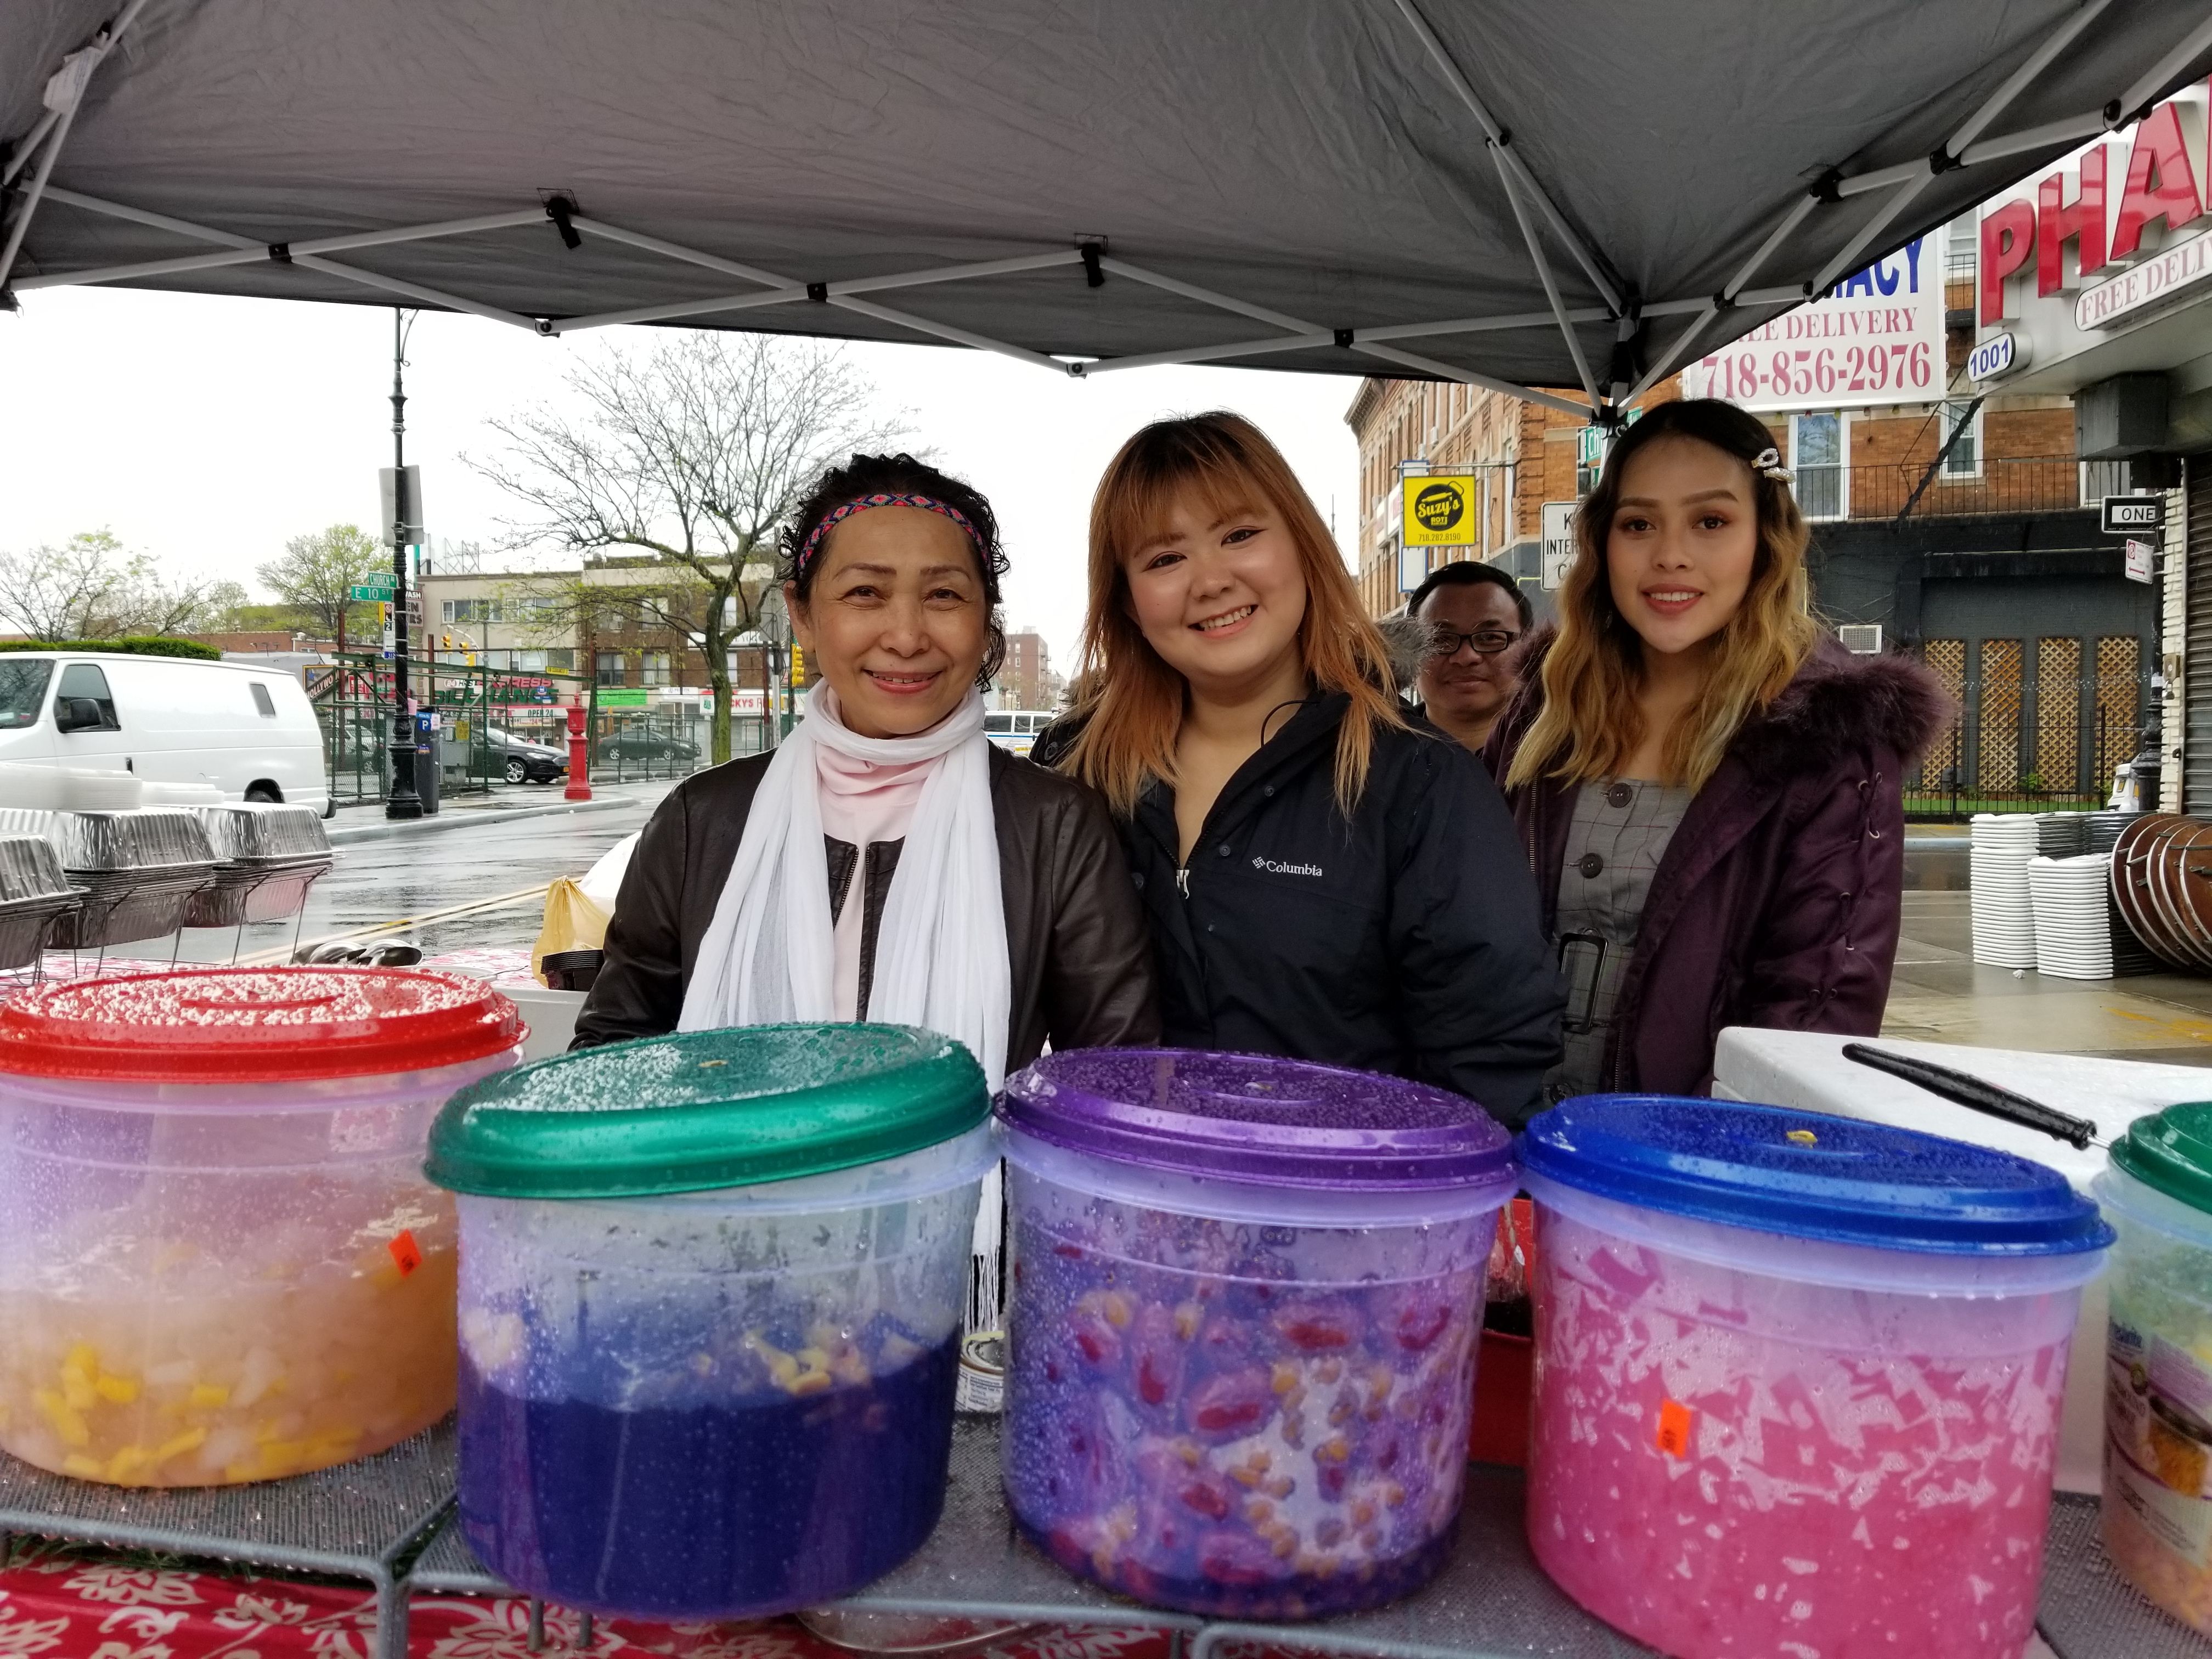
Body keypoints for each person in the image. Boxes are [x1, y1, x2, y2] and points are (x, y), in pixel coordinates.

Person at [1041, 411, 1561, 1127]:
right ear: (1127, 600)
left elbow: (1488, 1067)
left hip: (1344, 1219)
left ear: (1303, 547)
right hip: (1124, 1215)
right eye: (1165, 558)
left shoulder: (1419, 783)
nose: (1211, 580)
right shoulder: (1075, 779)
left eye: (1240, 535)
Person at [573, 452, 1160, 1075]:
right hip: (727, 1174)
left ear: (984, 619)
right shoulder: (701, 823)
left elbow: (1113, 1080)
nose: (906, 636)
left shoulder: (1054, 826)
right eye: (865, 593)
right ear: (803, 615)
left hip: (970, 1177)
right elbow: (613, 1054)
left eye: (943, 594)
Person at [1485, 398, 1950, 1100]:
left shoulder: (1828, 736)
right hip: (1509, 1142)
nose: (1671, 554)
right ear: (1601, 541)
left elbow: (1813, 1013)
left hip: (1687, 1166)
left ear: (1767, 536)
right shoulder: (1546, 702)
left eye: (1711, 522)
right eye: (1638, 523)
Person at [1403, 559, 1533, 752]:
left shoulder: (1576, 759)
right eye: (1441, 640)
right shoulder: (1370, 765)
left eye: (1490, 638)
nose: (1466, 657)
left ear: (1529, 649)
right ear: (1411, 657)